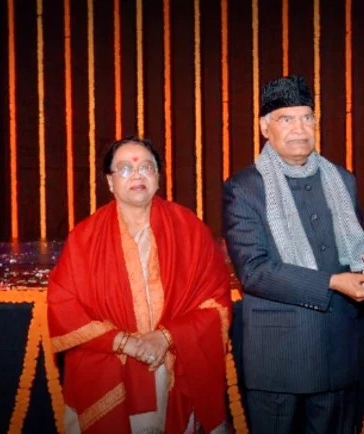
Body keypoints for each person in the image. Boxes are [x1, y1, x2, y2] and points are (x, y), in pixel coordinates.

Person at [223, 75, 364, 434]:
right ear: (265, 128)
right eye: (286, 119)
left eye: (307, 117)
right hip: (279, 358)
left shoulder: (342, 179)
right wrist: (332, 282)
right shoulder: (244, 187)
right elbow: (254, 271)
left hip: (338, 351)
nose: (300, 128)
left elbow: (355, 252)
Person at [47, 137, 231, 434]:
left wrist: (167, 336)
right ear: (110, 182)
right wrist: (124, 342)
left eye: (146, 167)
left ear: (158, 177)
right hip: (109, 368)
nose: (137, 175)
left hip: (172, 364)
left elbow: (215, 303)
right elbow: (63, 305)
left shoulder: (189, 229)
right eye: (125, 169)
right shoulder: (84, 238)